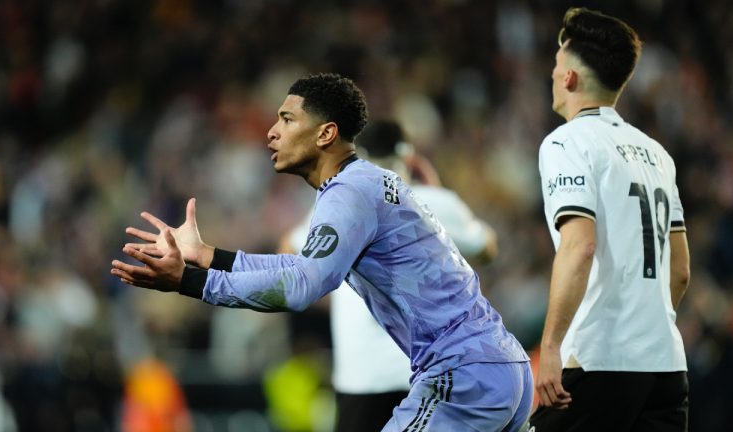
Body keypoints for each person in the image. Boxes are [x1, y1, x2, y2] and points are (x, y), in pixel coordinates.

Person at [111, 73, 533, 431]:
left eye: (287, 119)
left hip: (461, 375)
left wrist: (189, 282)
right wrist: (207, 257)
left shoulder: (348, 193)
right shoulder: (365, 183)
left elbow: (299, 288)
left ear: (326, 133)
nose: (272, 131)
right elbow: (301, 265)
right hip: (501, 364)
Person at [529, 8, 690, 431]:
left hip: (599, 361)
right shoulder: (657, 154)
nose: (551, 73)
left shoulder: (567, 142)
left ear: (570, 78)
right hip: (666, 366)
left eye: (556, 64)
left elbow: (580, 245)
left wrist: (550, 347)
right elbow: (681, 271)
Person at [281, 119, 500, 432]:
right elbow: (488, 248)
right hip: (430, 374)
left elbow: (289, 250)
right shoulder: (436, 203)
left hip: (361, 377)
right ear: (410, 159)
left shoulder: (339, 203)